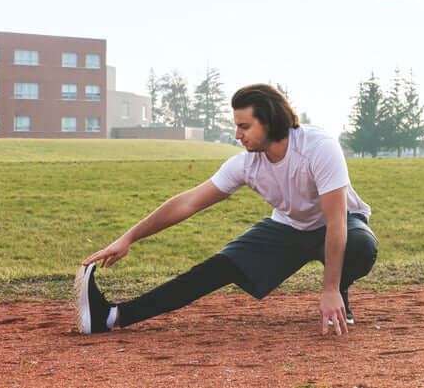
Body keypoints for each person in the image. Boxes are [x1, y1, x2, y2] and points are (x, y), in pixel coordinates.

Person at [75, 84, 377, 336]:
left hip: (339, 223)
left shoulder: (318, 147)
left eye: (244, 127)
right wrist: (128, 238)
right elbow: (188, 202)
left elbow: (335, 222)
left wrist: (330, 288)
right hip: (287, 228)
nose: (237, 135)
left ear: (269, 122)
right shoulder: (246, 164)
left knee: (359, 246)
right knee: (216, 267)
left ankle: (339, 294)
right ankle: (111, 317)